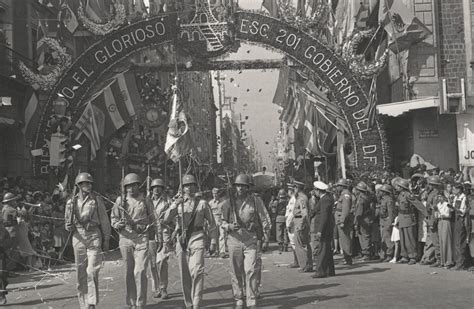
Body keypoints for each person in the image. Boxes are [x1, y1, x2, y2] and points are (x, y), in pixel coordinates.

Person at [163, 174, 217, 309]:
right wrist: (175, 204)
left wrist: (213, 241)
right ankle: (189, 303)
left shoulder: (203, 203)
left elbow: (212, 223)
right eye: (186, 186)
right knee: (184, 274)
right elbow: (166, 219)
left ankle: (197, 302)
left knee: (197, 270)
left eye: (192, 185)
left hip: (197, 237)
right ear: (182, 188)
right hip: (181, 239)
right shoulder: (178, 203)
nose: (189, 188)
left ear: (195, 186)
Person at [221, 174, 268, 309]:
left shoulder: (255, 201)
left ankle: (251, 299)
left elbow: (264, 218)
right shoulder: (229, 201)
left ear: (248, 187)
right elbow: (222, 221)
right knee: (236, 271)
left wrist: (265, 235)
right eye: (238, 185)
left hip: (250, 239)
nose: (240, 188)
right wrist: (228, 226)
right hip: (234, 239)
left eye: (243, 186)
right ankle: (239, 298)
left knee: (251, 269)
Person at [64, 173, 111, 309]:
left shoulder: (96, 200)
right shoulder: (71, 202)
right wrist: (68, 226)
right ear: (79, 185)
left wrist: (106, 238)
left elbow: (104, 220)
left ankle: (91, 303)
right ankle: (83, 304)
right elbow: (67, 222)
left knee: (91, 270)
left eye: (90, 183)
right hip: (78, 237)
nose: (89, 185)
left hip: (93, 236)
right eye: (86, 183)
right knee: (81, 272)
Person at [111, 173, 155, 309]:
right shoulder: (120, 201)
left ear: (138, 185)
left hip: (141, 237)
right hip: (125, 238)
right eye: (128, 186)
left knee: (140, 270)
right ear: (125, 187)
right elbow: (113, 218)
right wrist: (117, 224)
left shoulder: (145, 200)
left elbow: (153, 219)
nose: (131, 188)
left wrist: (153, 234)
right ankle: (131, 302)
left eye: (134, 185)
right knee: (129, 271)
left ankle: (140, 303)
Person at [147, 178, 171, 299]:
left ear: (162, 189)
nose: (157, 189)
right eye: (154, 187)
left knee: (162, 260)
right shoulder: (146, 200)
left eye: (159, 187)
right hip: (150, 233)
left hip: (164, 231)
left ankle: (163, 288)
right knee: (152, 262)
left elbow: (172, 216)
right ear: (151, 189)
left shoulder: (167, 201)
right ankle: (155, 288)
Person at [310, 181, 335, 278]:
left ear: (318, 190)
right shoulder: (324, 199)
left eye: (315, 190)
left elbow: (324, 216)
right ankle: (329, 270)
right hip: (326, 228)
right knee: (327, 250)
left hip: (324, 229)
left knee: (322, 250)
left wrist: (320, 230)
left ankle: (320, 271)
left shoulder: (324, 200)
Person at [421, 176, 442, 266]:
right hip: (430, 218)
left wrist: (432, 221)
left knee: (436, 241)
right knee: (432, 240)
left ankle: (439, 259)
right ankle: (432, 258)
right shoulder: (431, 193)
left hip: (433, 218)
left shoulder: (435, 194)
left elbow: (434, 209)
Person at [292, 180, 313, 272]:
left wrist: (302, 225)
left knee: (301, 245)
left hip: (300, 223)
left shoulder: (302, 198)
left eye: (294, 188)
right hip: (298, 221)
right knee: (302, 244)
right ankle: (306, 264)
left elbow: (304, 213)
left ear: (297, 188)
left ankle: (305, 265)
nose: (293, 190)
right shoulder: (300, 197)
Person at [396, 179, 418, 265]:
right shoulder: (400, 195)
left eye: (398, 186)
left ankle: (413, 256)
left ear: (402, 187)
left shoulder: (408, 195)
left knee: (409, 239)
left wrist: (426, 214)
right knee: (403, 239)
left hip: (408, 218)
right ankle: (404, 256)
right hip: (402, 218)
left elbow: (417, 204)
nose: (397, 187)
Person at [334, 179, 353, 265]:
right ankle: (346, 257)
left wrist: (342, 221)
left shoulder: (346, 195)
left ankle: (348, 258)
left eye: (338, 186)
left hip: (342, 220)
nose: (337, 187)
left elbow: (345, 209)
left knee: (345, 239)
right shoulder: (342, 194)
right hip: (339, 219)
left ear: (342, 186)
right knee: (343, 239)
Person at [452, 183, 469, 270]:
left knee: (460, 242)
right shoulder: (456, 197)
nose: (453, 191)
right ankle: (457, 262)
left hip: (461, 220)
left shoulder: (463, 198)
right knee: (456, 242)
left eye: (454, 189)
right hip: (456, 219)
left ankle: (461, 263)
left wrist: (456, 210)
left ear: (459, 190)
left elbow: (463, 211)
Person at [353, 182, 372, 261]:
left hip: (362, 219)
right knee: (363, 236)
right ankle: (365, 252)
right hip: (365, 218)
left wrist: (356, 221)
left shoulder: (361, 199)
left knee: (364, 236)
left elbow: (359, 212)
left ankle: (366, 253)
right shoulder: (365, 197)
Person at [436, 192, 454, 269]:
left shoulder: (447, 204)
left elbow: (450, 212)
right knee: (441, 241)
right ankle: (443, 261)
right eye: (438, 197)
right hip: (440, 221)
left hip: (446, 221)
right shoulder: (438, 205)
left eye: (441, 197)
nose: (440, 198)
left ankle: (449, 261)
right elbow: (436, 215)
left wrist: (443, 214)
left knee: (446, 240)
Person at [378, 184, 396, 262]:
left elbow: (390, 212)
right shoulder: (383, 199)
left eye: (381, 191)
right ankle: (383, 255)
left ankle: (389, 255)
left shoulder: (389, 200)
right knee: (383, 239)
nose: (380, 192)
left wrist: (389, 222)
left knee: (388, 239)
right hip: (382, 220)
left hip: (387, 221)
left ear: (385, 192)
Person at [208, 187, 227, 258]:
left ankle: (222, 252)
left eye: (216, 194)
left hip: (221, 220)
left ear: (218, 194)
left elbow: (224, 212)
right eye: (213, 194)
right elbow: (208, 213)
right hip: (213, 221)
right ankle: (215, 251)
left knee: (222, 236)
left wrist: (223, 220)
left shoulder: (223, 203)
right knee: (214, 237)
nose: (215, 195)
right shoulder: (210, 203)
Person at [0, 212, 12, 305]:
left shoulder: (2, 229)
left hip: (1, 253)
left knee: (2, 274)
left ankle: (1, 295)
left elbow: (7, 239)